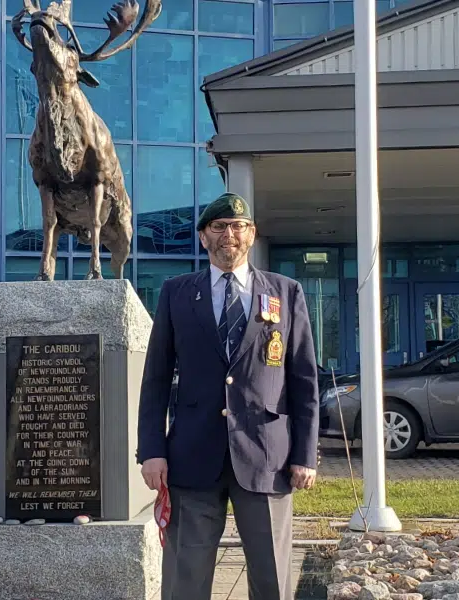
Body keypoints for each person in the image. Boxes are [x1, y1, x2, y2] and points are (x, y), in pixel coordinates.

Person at [136, 192, 321, 600]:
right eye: (219, 227)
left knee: (271, 576)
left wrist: (305, 454)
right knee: (186, 578)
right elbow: (156, 378)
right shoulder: (176, 293)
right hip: (192, 457)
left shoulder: (285, 293)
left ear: (251, 235)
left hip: (266, 456)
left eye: (238, 227)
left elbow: (304, 380)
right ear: (203, 237)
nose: (229, 235)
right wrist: (152, 450)